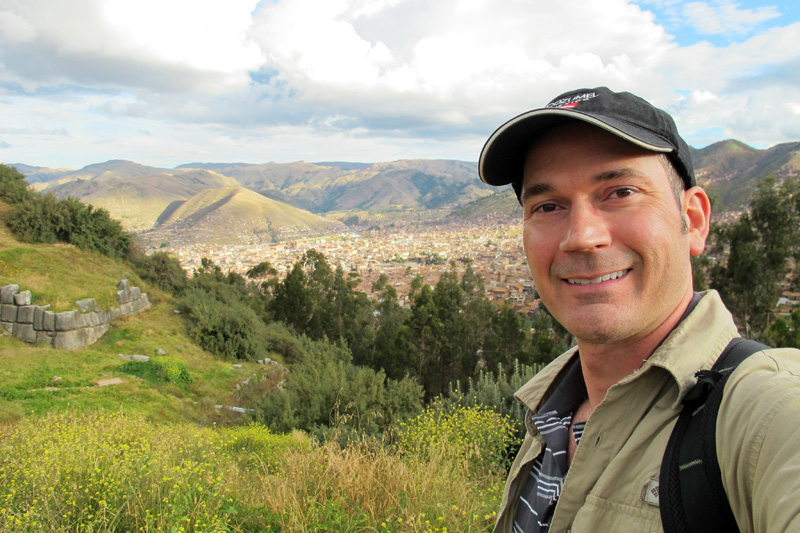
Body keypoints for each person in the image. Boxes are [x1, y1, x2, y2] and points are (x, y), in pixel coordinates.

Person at [478, 86, 800, 532]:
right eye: (548, 206)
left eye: (620, 192)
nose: (581, 236)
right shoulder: (550, 413)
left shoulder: (765, 411)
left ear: (695, 220)